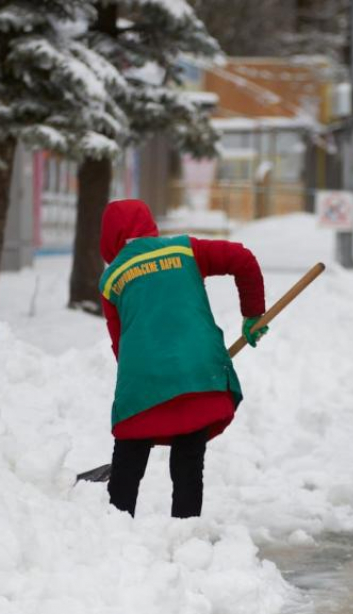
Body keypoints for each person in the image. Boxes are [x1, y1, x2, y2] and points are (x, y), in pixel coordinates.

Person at [98, 199, 268, 517]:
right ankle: (187, 532)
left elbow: (121, 345)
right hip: (199, 373)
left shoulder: (111, 280)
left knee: (128, 465)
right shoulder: (185, 250)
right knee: (188, 462)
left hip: (144, 383)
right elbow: (242, 259)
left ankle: (115, 533)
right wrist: (253, 313)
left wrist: (150, 383)